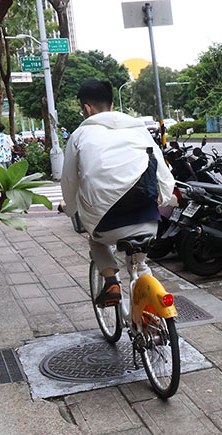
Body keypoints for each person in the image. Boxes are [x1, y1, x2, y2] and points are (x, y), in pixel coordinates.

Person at [61, 79, 175, 306]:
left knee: (96, 241)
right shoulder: (138, 129)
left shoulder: (79, 136)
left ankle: (111, 280)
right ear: (112, 105)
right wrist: (165, 198)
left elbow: (69, 182)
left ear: (86, 108)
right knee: (140, 263)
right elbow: (163, 172)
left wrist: (69, 209)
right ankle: (152, 315)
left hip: (106, 225)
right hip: (149, 220)